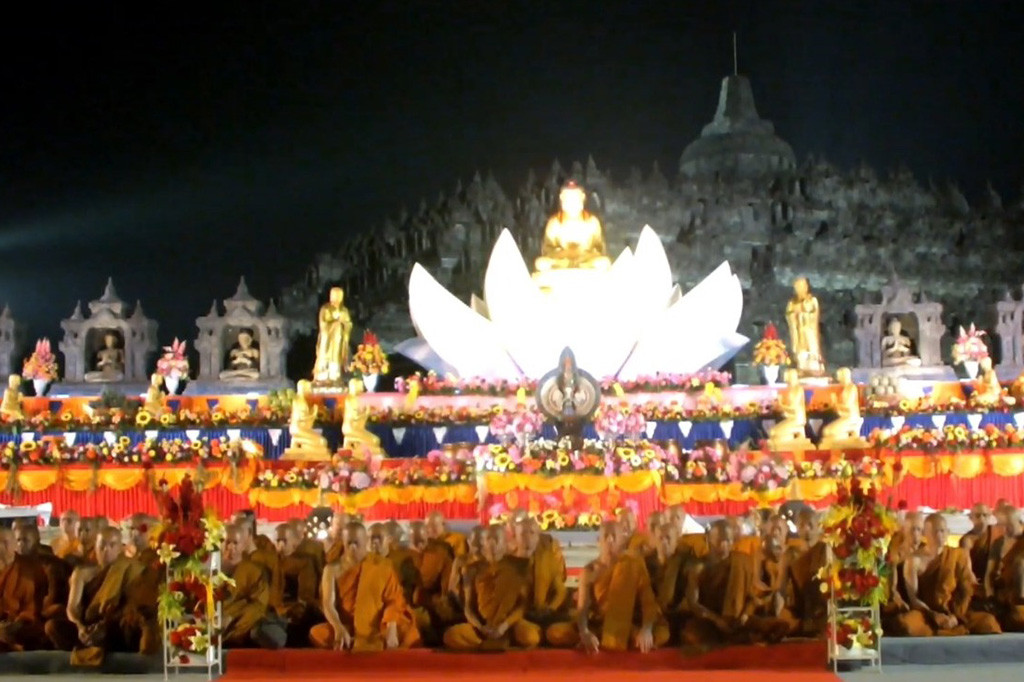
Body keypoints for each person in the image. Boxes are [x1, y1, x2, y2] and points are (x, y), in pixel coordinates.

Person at [546, 521, 668, 652]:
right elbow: (582, 608)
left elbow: (648, 603)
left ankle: (632, 638)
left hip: (627, 624)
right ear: (599, 541)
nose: (610, 540)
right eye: (606, 536)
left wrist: (646, 629)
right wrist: (584, 632)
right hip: (599, 625)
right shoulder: (590, 570)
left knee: (662, 634)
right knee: (554, 633)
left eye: (614, 536)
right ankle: (615, 640)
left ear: (622, 541)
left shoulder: (634, 563)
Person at [46, 528, 158, 663]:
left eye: (112, 545)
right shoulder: (82, 573)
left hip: (113, 627)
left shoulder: (131, 568)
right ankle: (90, 645)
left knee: (126, 627)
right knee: (52, 626)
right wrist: (79, 627)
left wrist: (104, 625)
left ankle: (94, 646)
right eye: (102, 545)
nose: (106, 550)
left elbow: (132, 605)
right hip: (86, 626)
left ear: (120, 548)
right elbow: (72, 608)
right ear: (95, 547)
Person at [310, 523, 420, 651]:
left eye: (357, 543)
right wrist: (338, 627)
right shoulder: (332, 569)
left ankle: (356, 646)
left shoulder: (382, 565)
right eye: (349, 543)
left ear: (366, 541)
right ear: (343, 543)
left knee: (411, 634)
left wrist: (391, 627)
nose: (352, 548)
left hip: (379, 626)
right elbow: (328, 605)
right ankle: (362, 644)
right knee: (317, 633)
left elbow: (394, 601)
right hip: (349, 627)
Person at [681, 520, 790, 646]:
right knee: (691, 636)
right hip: (709, 622)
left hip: (738, 619)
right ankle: (740, 638)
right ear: (709, 540)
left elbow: (751, 596)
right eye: (720, 540)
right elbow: (694, 604)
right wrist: (717, 620)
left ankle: (735, 637)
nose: (724, 544)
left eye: (728, 540)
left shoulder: (741, 561)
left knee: (781, 626)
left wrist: (745, 614)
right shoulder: (698, 566)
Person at [896, 513, 1000, 636]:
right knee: (908, 625)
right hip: (927, 614)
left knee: (988, 622)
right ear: (924, 534)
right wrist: (934, 615)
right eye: (934, 532)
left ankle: (954, 624)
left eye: (942, 531)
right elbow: (914, 599)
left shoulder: (959, 555)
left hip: (955, 612)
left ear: (948, 532)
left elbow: (966, 590)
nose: (939, 536)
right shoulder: (914, 560)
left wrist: (956, 615)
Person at [444, 525, 539, 650]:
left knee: (531, 637)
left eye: (497, 539)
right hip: (483, 626)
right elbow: (468, 606)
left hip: (510, 626)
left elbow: (522, 605)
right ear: (484, 542)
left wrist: (504, 626)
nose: (492, 543)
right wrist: (479, 626)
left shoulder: (519, 566)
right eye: (489, 539)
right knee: (451, 636)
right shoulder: (471, 569)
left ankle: (493, 643)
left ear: (505, 542)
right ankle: (492, 644)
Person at [221, 524, 285, 649]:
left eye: (235, 543)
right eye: (227, 542)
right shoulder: (211, 569)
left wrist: (231, 618)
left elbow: (259, 605)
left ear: (244, 545)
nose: (230, 547)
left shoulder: (254, 570)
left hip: (239, 627)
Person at [511, 518, 569, 633]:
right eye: (522, 533)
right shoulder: (508, 561)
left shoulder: (547, 559)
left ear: (538, 537)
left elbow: (560, 590)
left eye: (532, 533)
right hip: (519, 618)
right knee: (528, 635)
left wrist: (551, 609)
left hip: (544, 613)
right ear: (515, 537)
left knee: (558, 633)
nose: (527, 538)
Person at [0, 527, 48, 652]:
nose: (0, 548)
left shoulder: (30, 568)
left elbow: (33, 606)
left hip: (20, 624)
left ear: (15, 545)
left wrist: (16, 625)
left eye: (5, 543)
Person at [275, 522, 320, 646]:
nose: (281, 545)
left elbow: (306, 594)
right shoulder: (272, 560)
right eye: (278, 540)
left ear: (294, 542)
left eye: (284, 540)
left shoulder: (304, 562)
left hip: (295, 608)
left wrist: (295, 608)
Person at [984, 505, 1024, 631]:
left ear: (1019, 522)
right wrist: (990, 596)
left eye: (1009, 525)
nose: (1005, 530)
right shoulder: (999, 543)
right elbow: (989, 574)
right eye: (1001, 525)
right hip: (1002, 595)